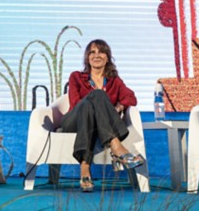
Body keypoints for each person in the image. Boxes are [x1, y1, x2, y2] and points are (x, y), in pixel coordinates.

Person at [61, 39, 144, 192]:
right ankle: (116, 145)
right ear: (87, 58)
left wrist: (119, 106)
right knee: (92, 100)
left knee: (93, 101)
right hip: (72, 121)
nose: (96, 55)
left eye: (101, 52)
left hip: (93, 126)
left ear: (107, 57)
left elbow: (131, 97)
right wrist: (102, 107)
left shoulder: (114, 81)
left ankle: (85, 167)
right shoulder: (76, 77)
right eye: (92, 52)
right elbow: (76, 103)